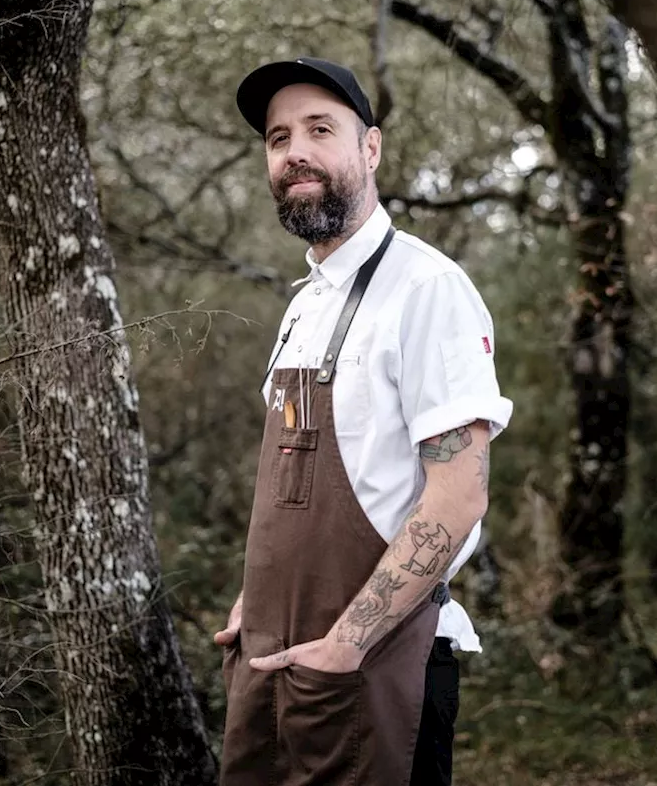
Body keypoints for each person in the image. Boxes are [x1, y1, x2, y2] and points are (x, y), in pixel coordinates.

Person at [216, 56, 514, 786]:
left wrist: (347, 644)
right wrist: (252, 600)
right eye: (279, 137)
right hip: (273, 667)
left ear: (370, 148)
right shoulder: (303, 304)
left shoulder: (427, 289)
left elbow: (458, 495)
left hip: (376, 670)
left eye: (321, 129)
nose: (296, 152)